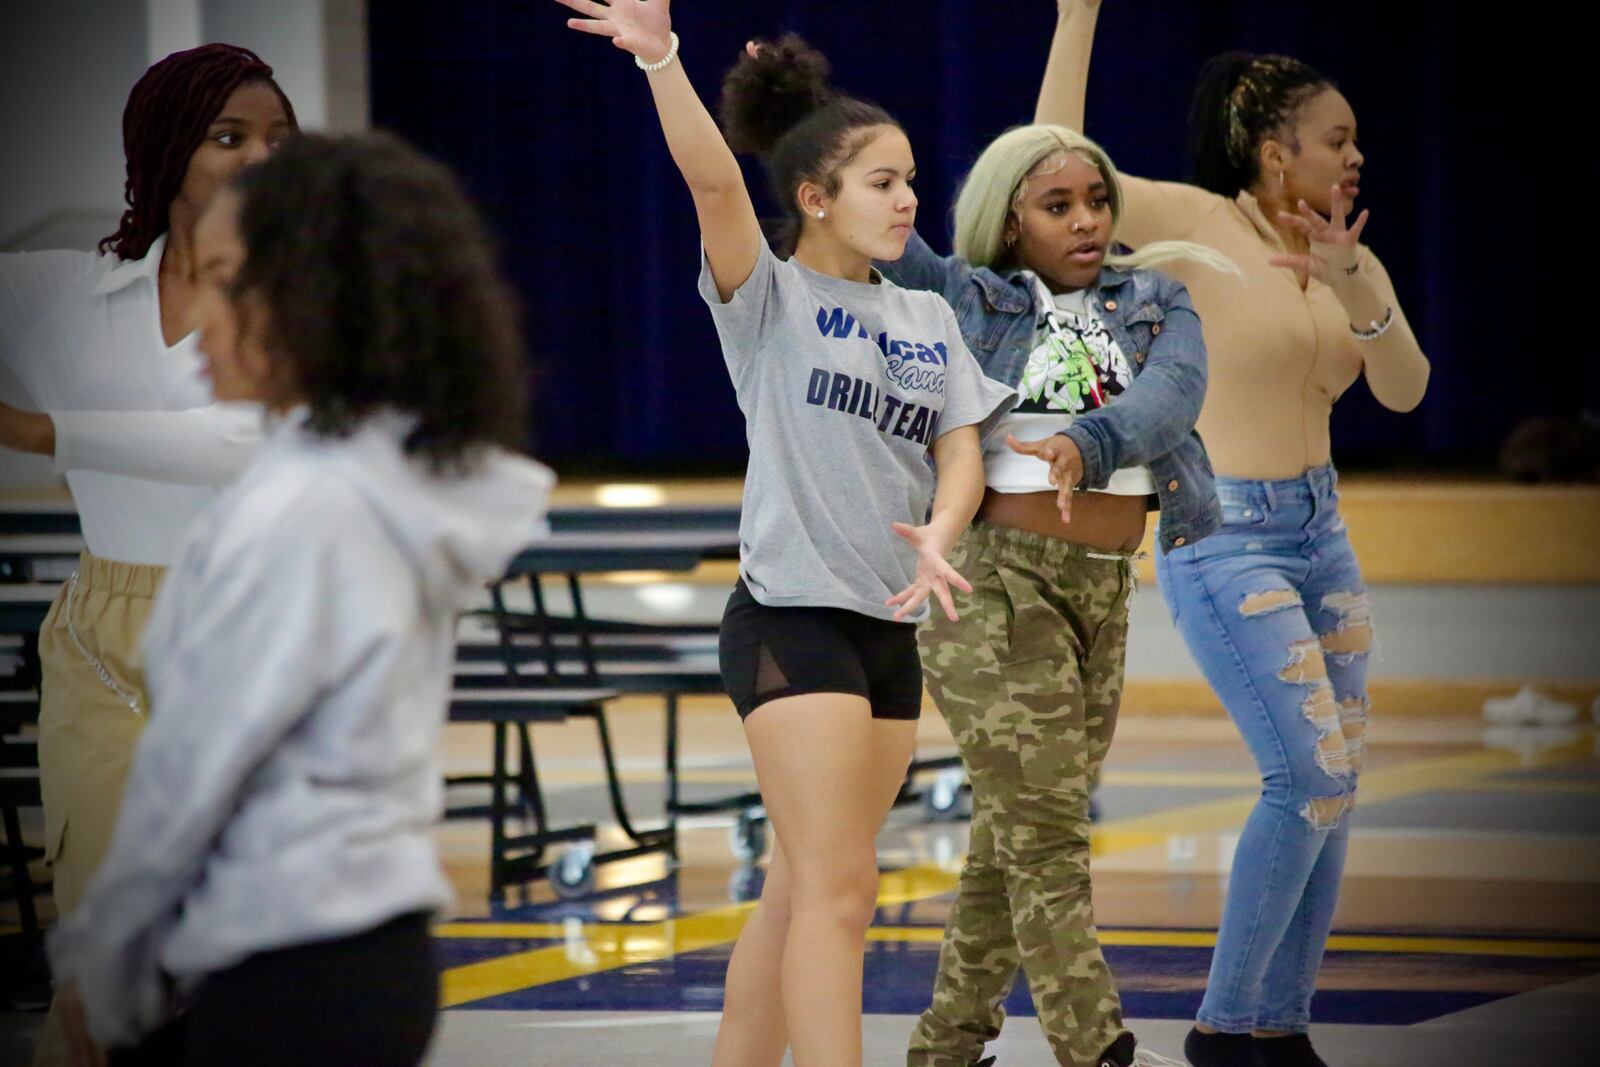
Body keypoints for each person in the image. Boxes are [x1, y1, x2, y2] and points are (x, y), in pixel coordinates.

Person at [553, 5, 1014, 1065]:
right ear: (814, 199)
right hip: (788, 618)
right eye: (881, 182)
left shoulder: (924, 318)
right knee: (847, 888)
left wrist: (944, 531)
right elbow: (717, 185)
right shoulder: (769, 297)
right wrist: (662, 59)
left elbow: (959, 450)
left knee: (806, 882)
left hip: (888, 628)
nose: (906, 199)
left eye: (908, 180)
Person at [47, 130, 554, 1067]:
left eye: (230, 277)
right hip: (360, 953)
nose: (201, 312)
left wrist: (106, 962)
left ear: (320, 296)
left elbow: (200, 766)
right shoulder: (377, 479)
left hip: (275, 964)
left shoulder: (306, 507)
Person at [1038, 4, 1430, 1065]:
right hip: (1225, 536)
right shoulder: (1192, 225)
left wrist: (1352, 283)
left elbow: (1405, 390)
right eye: (1337, 139)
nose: (1355, 157)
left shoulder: (1350, 253)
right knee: (1302, 775)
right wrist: (1077, 16)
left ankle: (1277, 1026)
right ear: (1274, 151)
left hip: (1321, 532)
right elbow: (1052, 156)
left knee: (1335, 790)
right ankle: (1220, 1028)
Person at [874, 115, 1233, 1067]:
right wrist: (787, 115)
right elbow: (877, 230)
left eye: (1098, 199)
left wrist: (1090, 441)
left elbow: (1173, 399)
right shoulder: (968, 294)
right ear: (1009, 220)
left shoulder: (1158, 299)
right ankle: (1097, 1048)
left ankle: (944, 1049)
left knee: (1014, 830)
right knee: (1047, 835)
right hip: (992, 579)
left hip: (1105, 585)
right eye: (1057, 204)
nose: (1087, 220)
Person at [0, 44, 295, 1067]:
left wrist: (49, 434)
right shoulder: (57, 296)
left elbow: (246, 442)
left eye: (277, 139)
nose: (262, 156)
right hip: (102, 641)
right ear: (167, 152)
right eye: (231, 137)